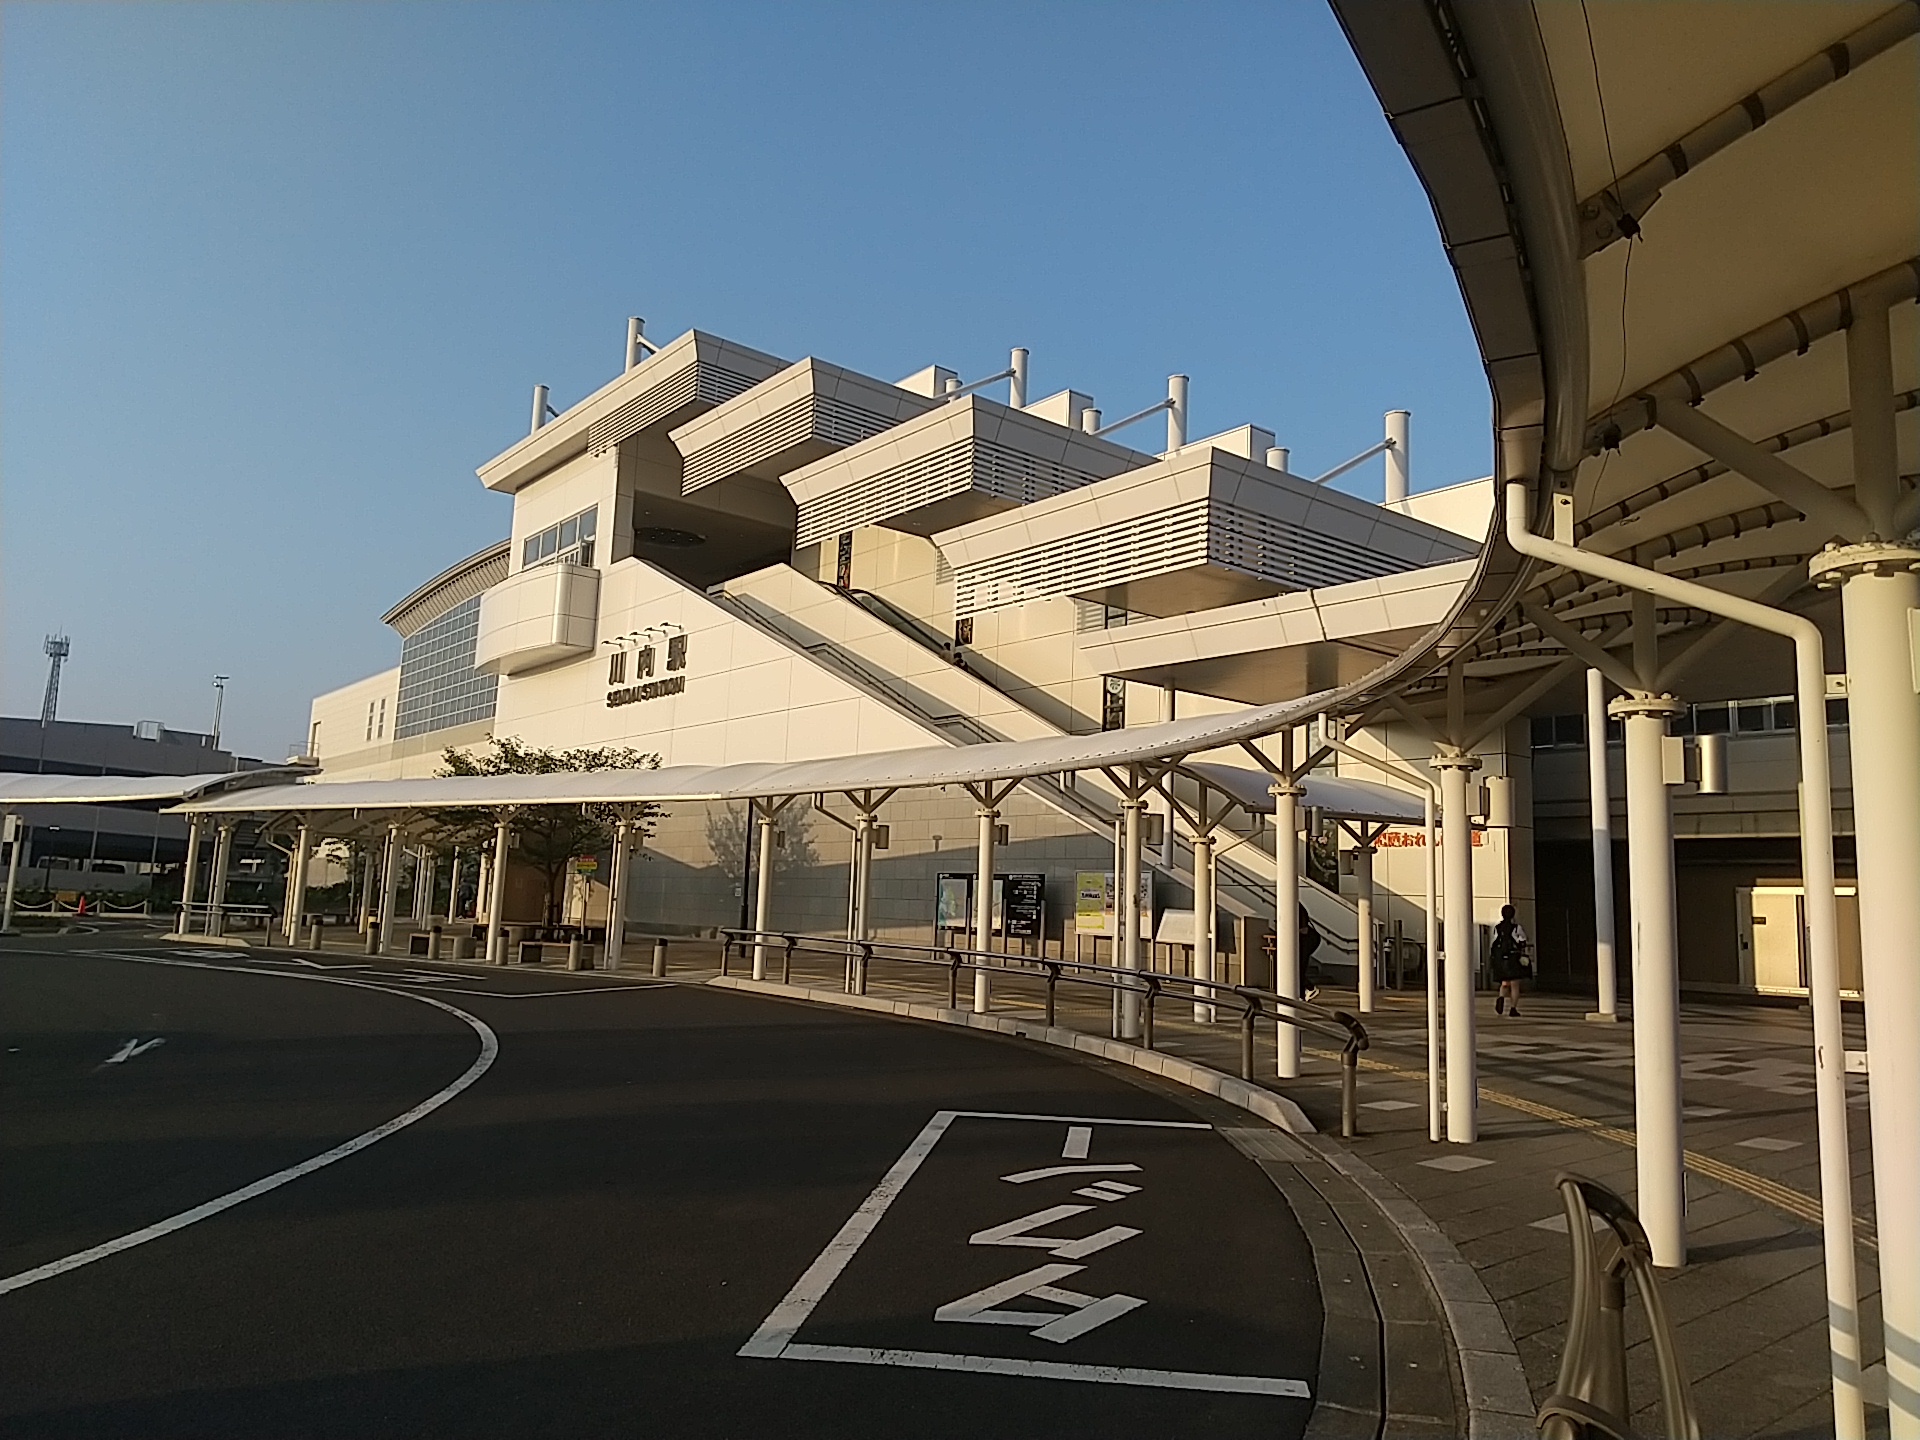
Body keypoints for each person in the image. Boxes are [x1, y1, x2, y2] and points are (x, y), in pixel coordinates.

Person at [1490, 904, 1530, 1017]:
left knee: (1504, 982)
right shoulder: (1516, 928)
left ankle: (1501, 997)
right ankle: (1513, 1008)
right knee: (1515, 984)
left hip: (1501, 959)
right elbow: (1522, 941)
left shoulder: (1497, 927)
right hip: (1513, 958)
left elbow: (1494, 941)